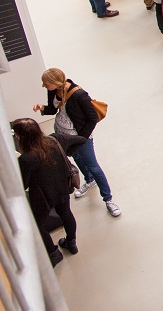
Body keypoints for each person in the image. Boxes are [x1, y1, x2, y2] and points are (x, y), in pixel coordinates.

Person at [33, 68, 120, 217]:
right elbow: (53, 110)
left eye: (46, 84)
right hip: (63, 135)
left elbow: (92, 118)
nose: (44, 86)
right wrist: (42, 108)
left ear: (55, 82)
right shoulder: (53, 91)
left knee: (93, 166)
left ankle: (108, 199)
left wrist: (82, 139)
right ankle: (89, 180)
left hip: (80, 136)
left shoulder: (79, 95)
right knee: (77, 158)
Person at [13, 118, 78, 266]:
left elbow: (23, 184)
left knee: (37, 224)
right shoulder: (54, 140)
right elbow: (80, 139)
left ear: (22, 137)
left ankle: (54, 253)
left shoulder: (26, 159)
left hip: (43, 197)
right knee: (66, 213)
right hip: (62, 188)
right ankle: (71, 243)